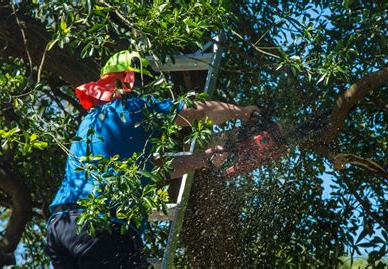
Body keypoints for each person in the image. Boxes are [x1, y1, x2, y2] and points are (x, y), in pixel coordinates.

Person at [45, 51, 259, 268]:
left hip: (61, 227)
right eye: (141, 80)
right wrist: (240, 112)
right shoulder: (134, 108)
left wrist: (202, 159)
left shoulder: (91, 121)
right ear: (127, 79)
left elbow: (154, 169)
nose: (143, 87)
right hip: (102, 227)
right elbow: (195, 112)